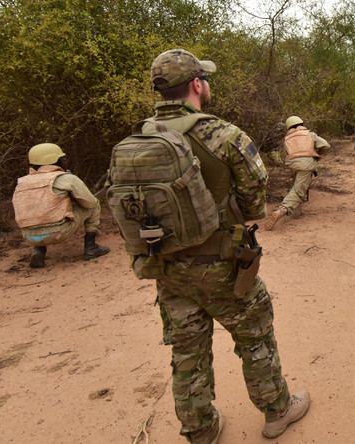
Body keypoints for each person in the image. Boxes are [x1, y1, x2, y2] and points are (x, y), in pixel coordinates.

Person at [124, 49, 309, 443]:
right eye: (205, 79)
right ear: (196, 84)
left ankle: (201, 428)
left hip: (166, 268)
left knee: (187, 352)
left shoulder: (138, 138)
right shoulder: (223, 134)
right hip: (223, 264)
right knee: (255, 336)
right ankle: (277, 411)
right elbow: (254, 207)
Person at [12, 143, 110, 268]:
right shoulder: (66, 179)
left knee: (38, 212)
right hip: (57, 232)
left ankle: (39, 251)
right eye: (62, 158)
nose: (65, 160)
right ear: (54, 160)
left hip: (28, 236)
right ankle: (91, 247)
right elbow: (90, 202)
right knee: (94, 205)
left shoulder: (22, 181)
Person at [264, 115, 330, 230]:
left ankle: (296, 212)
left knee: (297, 186)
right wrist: (317, 156)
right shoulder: (310, 134)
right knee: (299, 190)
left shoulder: (287, 139)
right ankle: (282, 210)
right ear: (301, 124)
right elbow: (326, 145)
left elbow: (284, 155)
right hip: (307, 165)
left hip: (293, 164)